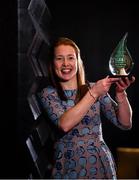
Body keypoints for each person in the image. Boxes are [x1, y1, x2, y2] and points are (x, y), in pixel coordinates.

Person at [38, 37, 135, 179]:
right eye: (59, 58)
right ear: (53, 64)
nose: (66, 63)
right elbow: (64, 124)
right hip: (69, 166)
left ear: (78, 61)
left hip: (100, 164)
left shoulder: (94, 88)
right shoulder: (48, 94)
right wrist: (94, 93)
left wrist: (121, 95)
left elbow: (125, 123)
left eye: (70, 58)